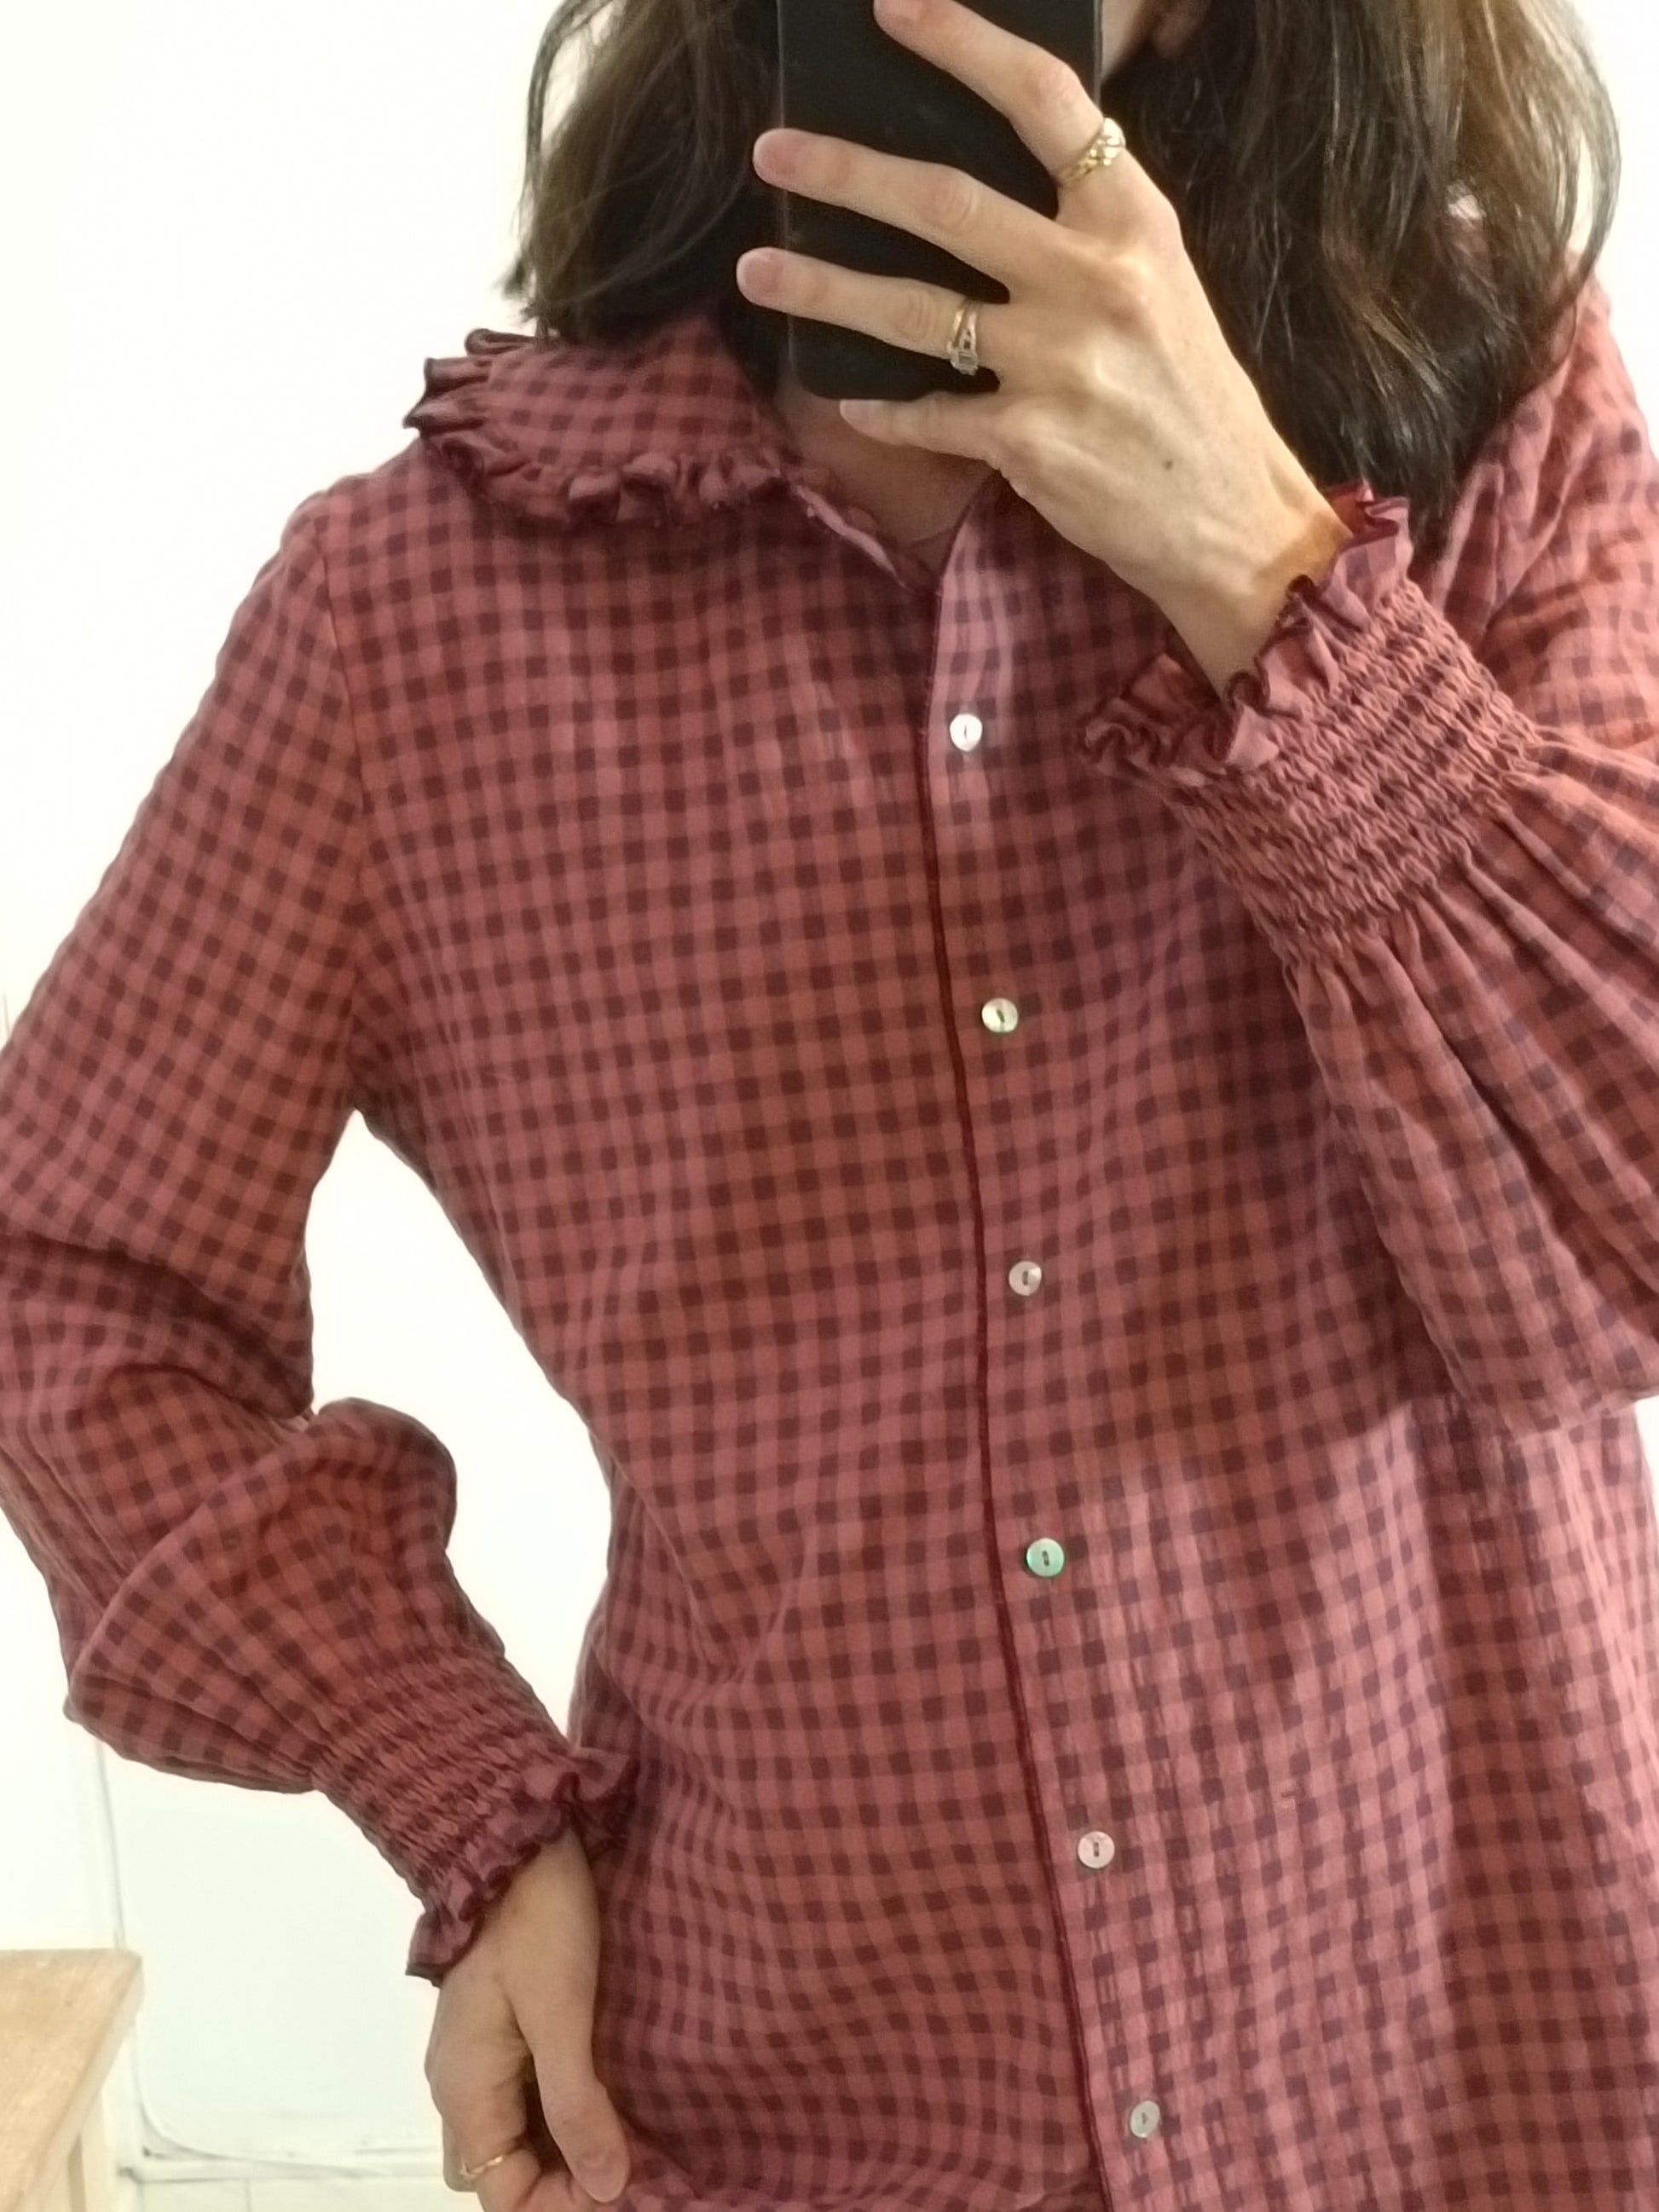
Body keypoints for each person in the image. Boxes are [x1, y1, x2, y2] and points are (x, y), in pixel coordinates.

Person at [2, 0, 1656, 2207]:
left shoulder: (1485, 437)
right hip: (815, 2095)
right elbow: (69, 1272)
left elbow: (1627, 1234)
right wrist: (462, 1797)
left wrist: (1268, 582)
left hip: (1471, 2044)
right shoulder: (417, 617)